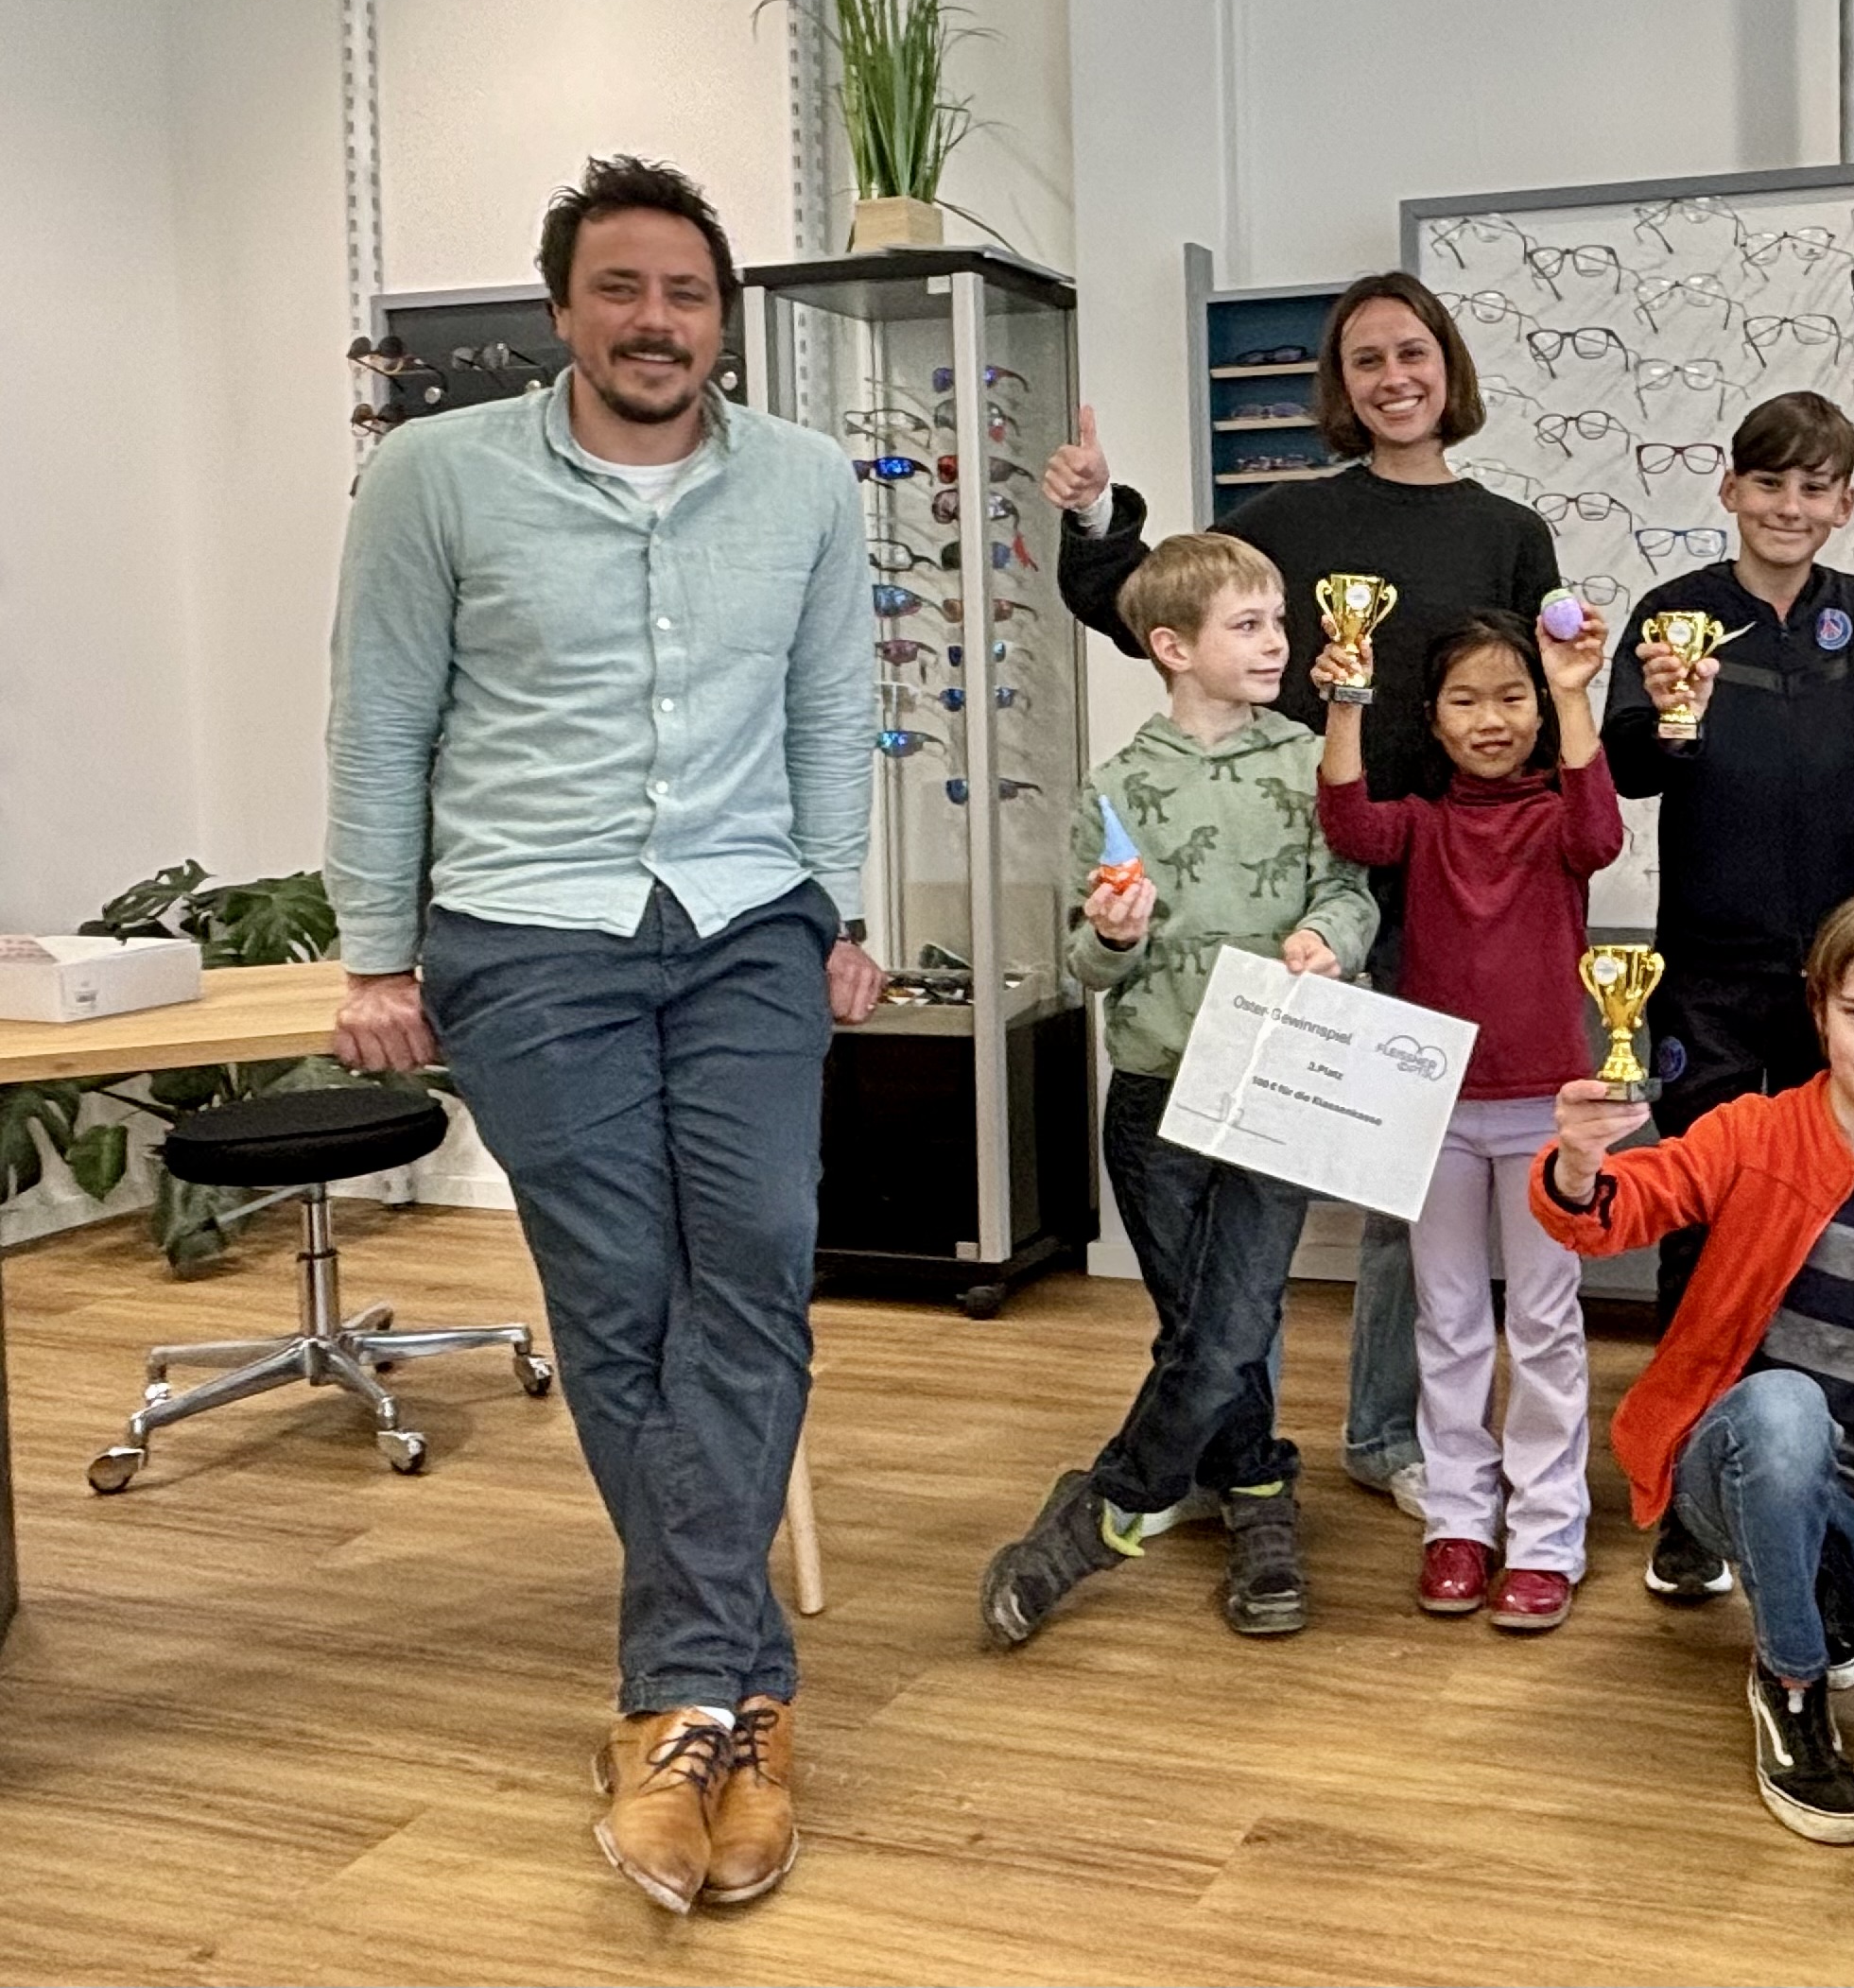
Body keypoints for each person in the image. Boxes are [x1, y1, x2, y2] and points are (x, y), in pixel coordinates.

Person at [325, 154, 881, 1914]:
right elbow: (381, 715)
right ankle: (733, 1699)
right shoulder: (432, 475)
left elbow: (828, 708)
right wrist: (370, 951)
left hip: (743, 925)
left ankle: (681, 1700)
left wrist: (843, 914)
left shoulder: (799, 482)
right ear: (563, 309)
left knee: (764, 1261)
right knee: (624, 1295)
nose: (658, 323)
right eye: (623, 290)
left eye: (689, 295)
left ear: (727, 318)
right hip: (526, 932)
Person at [1047, 273, 1558, 1522]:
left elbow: (1538, 703)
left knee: (1405, 1194)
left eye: (1414, 353)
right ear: (1341, 385)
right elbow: (1149, 602)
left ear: (1449, 367)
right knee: (1242, 1182)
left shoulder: (1509, 531)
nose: (1394, 377)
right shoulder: (1290, 515)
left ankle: (1385, 1428)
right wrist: (1099, 511)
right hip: (1296, 885)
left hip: (1433, 895)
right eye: (1367, 359)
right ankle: (1236, 1456)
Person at [1532, 888, 1854, 1846]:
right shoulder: (1752, 1131)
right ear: (1820, 1011)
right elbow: (1616, 1212)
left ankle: (1832, 1579)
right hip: (1740, 1461)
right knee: (1783, 1413)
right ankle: (1791, 1674)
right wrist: (1578, 1166)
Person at [1603, 389, 1854, 1607]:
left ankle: (1825, 1470)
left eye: (1815, 488)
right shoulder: (1676, 614)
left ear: (1844, 502)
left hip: (1842, 973)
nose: (1789, 507)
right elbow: (1622, 768)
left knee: (1836, 1220)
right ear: (1730, 490)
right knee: (1700, 1211)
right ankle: (1681, 1488)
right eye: (1768, 484)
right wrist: (1674, 719)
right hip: (1708, 968)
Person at [979, 532, 1378, 1648]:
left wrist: (1327, 934)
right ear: (1171, 646)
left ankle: (1097, 1512)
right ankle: (1256, 1494)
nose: (1278, 642)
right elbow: (1086, 962)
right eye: (1248, 625)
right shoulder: (1114, 787)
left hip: (1276, 1085)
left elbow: (1355, 887)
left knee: (1236, 1312)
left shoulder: (1310, 758)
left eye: (1280, 621)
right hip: (1157, 1092)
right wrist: (1112, 936)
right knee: (1201, 1326)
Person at [1315, 605, 1623, 1631]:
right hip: (1436, 1110)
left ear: (1537, 710)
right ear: (1435, 723)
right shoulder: (1425, 824)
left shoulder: (1554, 826)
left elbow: (1601, 830)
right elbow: (1350, 823)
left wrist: (1576, 690)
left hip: (1547, 1110)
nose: (1490, 718)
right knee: (1445, 1322)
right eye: (1464, 700)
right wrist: (1345, 702)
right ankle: (1457, 1520)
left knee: (1543, 1325)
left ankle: (1546, 1536)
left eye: (1511, 697)